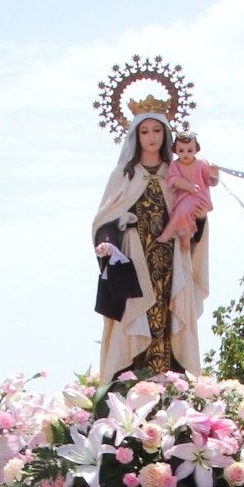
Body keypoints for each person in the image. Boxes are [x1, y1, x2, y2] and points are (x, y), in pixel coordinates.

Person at [93, 111, 207, 376]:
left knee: (171, 316)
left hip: (172, 261)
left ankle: (171, 384)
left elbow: (192, 216)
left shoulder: (176, 173)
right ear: (136, 135)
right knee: (135, 319)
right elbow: (105, 218)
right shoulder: (124, 174)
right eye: (145, 132)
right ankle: (132, 381)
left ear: (166, 135)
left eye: (157, 131)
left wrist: (199, 219)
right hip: (135, 260)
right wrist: (108, 241)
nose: (151, 138)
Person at [159, 131, 218, 248]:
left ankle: (167, 233)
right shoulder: (175, 165)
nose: (185, 154)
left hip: (199, 197)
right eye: (181, 151)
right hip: (185, 197)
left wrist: (214, 176)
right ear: (175, 150)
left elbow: (210, 181)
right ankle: (185, 236)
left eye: (189, 150)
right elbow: (174, 179)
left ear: (196, 150)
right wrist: (189, 186)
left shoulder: (201, 164)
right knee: (183, 212)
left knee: (182, 211)